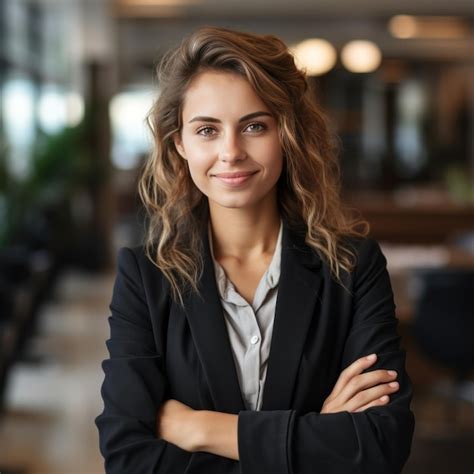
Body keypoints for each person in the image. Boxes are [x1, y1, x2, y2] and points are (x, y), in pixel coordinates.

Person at [95, 26, 415, 473]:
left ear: (287, 135)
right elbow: (128, 458)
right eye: (207, 130)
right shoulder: (145, 276)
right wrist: (317, 435)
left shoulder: (351, 264)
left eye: (254, 126)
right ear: (180, 144)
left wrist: (203, 429)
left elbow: (380, 445)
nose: (231, 152)